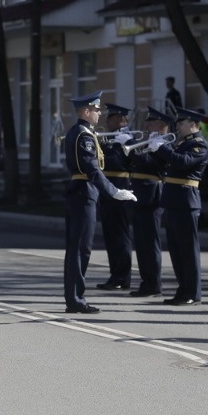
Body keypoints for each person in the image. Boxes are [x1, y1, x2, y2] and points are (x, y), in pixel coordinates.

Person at [62, 91, 137, 315]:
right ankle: (76, 299)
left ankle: (74, 298)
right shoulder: (83, 135)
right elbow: (92, 169)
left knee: (78, 249)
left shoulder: (80, 132)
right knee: (80, 250)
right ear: (86, 111)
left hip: (82, 192)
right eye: (96, 109)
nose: (99, 113)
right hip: (83, 192)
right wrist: (114, 191)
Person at [147, 107, 208, 306]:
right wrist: (155, 150)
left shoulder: (199, 145)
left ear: (193, 124)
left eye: (181, 123)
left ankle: (193, 292)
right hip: (174, 200)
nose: (178, 126)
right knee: (176, 251)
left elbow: (183, 163)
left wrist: (162, 149)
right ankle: (183, 290)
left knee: (188, 251)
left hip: (186, 201)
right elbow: (168, 165)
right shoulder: (182, 143)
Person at [127, 107, 173, 297]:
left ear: (162, 125)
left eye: (151, 123)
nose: (147, 126)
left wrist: (130, 146)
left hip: (152, 196)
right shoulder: (151, 142)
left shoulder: (164, 144)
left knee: (150, 243)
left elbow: (147, 162)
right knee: (141, 243)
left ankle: (153, 284)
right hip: (141, 195)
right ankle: (146, 282)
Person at [97, 103, 135, 291]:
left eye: (111, 118)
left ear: (122, 119)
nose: (107, 121)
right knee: (110, 235)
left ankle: (123, 276)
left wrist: (101, 150)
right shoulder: (112, 138)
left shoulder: (126, 139)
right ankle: (115, 275)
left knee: (120, 235)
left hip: (120, 189)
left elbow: (116, 162)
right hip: (107, 191)